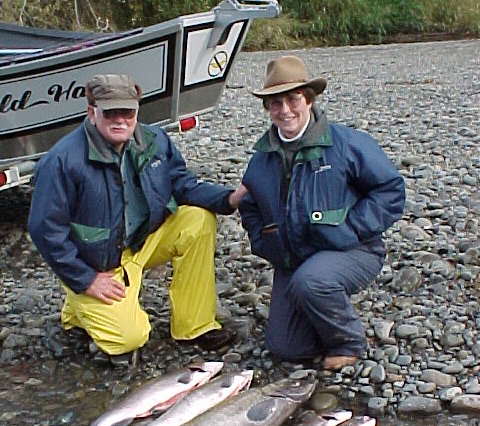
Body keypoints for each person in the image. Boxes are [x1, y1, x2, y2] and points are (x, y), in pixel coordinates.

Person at [28, 73, 247, 357]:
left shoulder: (155, 140)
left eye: (127, 112)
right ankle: (78, 305)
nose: (120, 120)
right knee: (130, 339)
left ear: (137, 111)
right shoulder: (61, 160)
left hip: (142, 241)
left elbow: (182, 184)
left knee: (198, 218)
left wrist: (229, 198)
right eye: (111, 113)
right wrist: (85, 279)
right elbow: (44, 229)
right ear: (92, 113)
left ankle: (195, 325)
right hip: (99, 263)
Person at [239, 55, 405, 370]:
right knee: (285, 348)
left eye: (292, 99)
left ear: (310, 100)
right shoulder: (261, 159)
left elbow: (391, 191)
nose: (285, 110)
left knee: (311, 283)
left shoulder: (347, 144)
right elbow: (250, 207)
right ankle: (320, 308)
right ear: (268, 109)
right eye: (275, 103)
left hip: (353, 249)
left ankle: (349, 341)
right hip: (294, 259)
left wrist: (352, 228)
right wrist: (265, 241)